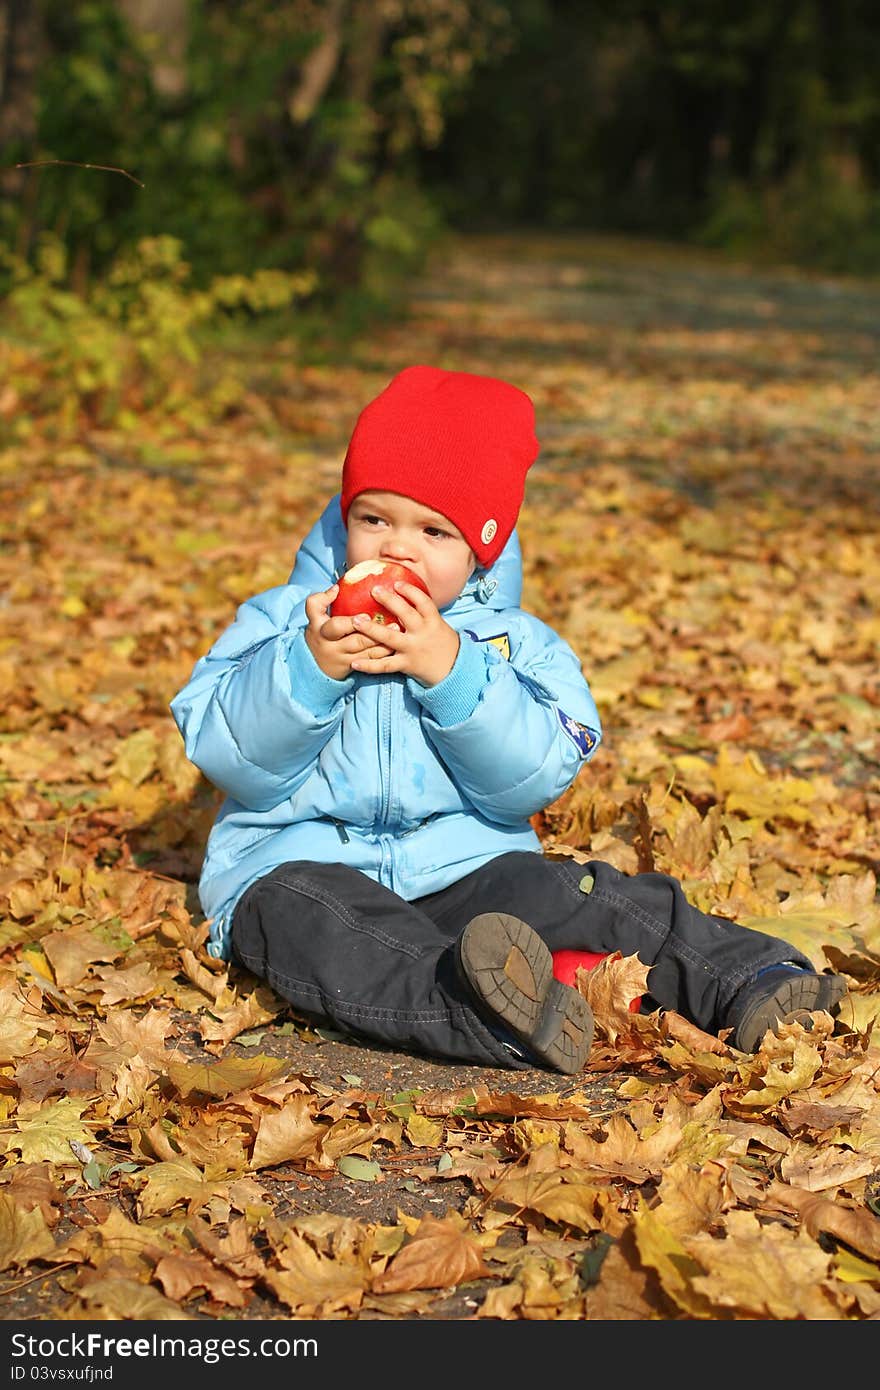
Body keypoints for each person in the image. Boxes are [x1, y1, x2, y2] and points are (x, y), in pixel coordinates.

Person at [170, 365, 846, 1074]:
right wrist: (309, 668)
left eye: (434, 530)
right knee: (312, 925)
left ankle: (748, 978)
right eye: (374, 518)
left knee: (578, 894)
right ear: (346, 516)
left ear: (480, 550)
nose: (396, 548)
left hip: (465, 867)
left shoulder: (509, 642)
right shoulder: (287, 621)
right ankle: (478, 1009)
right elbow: (222, 749)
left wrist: (452, 673)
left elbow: (530, 779)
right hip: (300, 862)